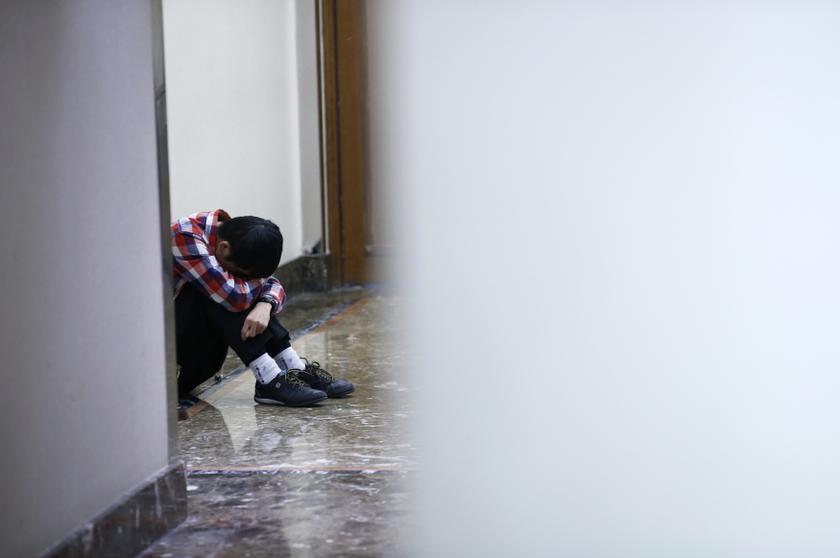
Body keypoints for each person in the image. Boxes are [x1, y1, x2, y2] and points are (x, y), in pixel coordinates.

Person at [171, 209, 354, 407]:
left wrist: (265, 304)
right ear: (224, 248)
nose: (251, 280)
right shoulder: (185, 237)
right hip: (165, 374)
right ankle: (269, 379)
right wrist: (260, 293)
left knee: (229, 289)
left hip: (198, 357)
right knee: (216, 292)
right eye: (245, 274)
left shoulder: (234, 238)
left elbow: (269, 283)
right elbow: (234, 296)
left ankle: (295, 369)